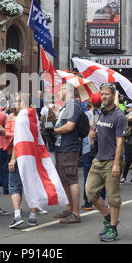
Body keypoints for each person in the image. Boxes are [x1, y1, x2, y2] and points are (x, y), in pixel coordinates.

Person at [85, 83, 126, 242]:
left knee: (113, 197)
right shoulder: (102, 114)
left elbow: (120, 142)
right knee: (90, 192)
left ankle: (113, 229)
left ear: (113, 95)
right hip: (98, 159)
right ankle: (108, 218)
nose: (103, 97)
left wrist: (116, 164)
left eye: (107, 94)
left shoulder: (119, 116)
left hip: (111, 161)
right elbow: (102, 133)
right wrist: (94, 135)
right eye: (102, 94)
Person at [7, 93, 39, 228]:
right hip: (34, 155)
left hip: (21, 155)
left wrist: (13, 159)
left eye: (18, 101)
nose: (15, 103)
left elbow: (18, 140)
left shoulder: (20, 117)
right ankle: (32, 216)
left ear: (23, 102)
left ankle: (17, 215)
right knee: (33, 185)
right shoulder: (34, 115)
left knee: (14, 186)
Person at [53, 84, 82, 224]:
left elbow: (70, 126)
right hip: (62, 147)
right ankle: (70, 209)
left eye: (60, 89)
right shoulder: (67, 105)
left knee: (71, 179)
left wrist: (55, 130)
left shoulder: (73, 105)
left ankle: (75, 213)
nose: (59, 91)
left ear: (67, 90)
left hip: (69, 147)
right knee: (65, 179)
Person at [81, 93, 104, 210]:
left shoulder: (85, 115)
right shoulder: (104, 115)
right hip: (101, 149)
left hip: (87, 148)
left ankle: (88, 203)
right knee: (102, 175)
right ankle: (102, 200)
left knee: (87, 176)